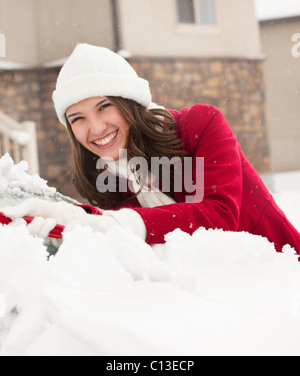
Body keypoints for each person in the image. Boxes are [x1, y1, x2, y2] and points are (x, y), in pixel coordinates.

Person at [4, 43, 300, 255]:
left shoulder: (199, 125)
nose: (94, 128)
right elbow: (121, 223)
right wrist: (66, 216)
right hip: (209, 301)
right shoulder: (108, 172)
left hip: (278, 280)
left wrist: (117, 224)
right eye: (77, 118)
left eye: (104, 106)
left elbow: (219, 215)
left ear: (129, 102)